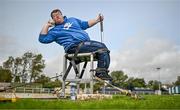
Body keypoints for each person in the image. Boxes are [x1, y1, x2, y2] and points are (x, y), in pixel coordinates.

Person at [39, 9, 112, 80]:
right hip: (73, 47)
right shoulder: (54, 31)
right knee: (101, 47)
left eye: (58, 14)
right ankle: (100, 73)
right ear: (52, 19)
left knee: (104, 49)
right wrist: (47, 25)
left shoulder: (72, 20)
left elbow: (85, 24)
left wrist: (97, 20)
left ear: (62, 15)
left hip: (85, 45)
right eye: (54, 16)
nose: (57, 16)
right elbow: (42, 39)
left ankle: (102, 72)